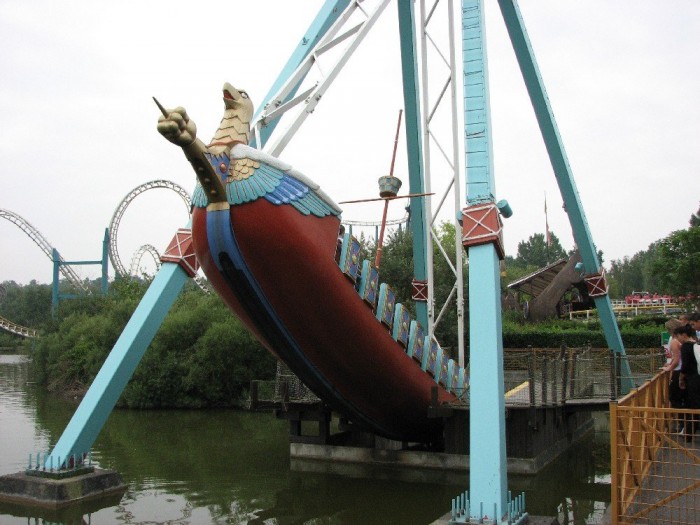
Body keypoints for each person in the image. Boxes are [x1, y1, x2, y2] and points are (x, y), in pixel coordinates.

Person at [678, 324, 699, 440]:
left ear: (684, 335)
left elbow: (685, 366)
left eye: (679, 336)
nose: (678, 339)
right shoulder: (697, 344)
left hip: (692, 379)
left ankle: (689, 433)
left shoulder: (686, 347)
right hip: (698, 376)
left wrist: (681, 378)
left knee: (692, 406)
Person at [663, 319, 685, 413]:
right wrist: (671, 363)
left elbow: (676, 358)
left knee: (674, 396)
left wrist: (670, 367)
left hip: (678, 370)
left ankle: (680, 420)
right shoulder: (681, 339)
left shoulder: (674, 341)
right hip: (683, 368)